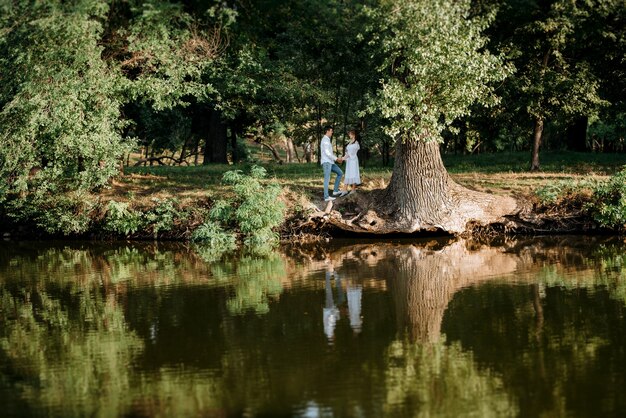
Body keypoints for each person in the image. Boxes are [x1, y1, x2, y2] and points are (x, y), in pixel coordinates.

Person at [320, 126, 346, 202]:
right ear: (327, 131)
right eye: (331, 131)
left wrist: (335, 159)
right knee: (327, 179)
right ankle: (326, 197)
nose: (332, 132)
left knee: (340, 173)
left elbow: (330, 153)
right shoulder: (325, 140)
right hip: (326, 162)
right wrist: (337, 159)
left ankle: (335, 191)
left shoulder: (327, 140)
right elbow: (327, 153)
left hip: (331, 162)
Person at [342, 129, 361, 194]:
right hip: (349, 161)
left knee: (353, 173)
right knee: (348, 173)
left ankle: (353, 189)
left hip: (353, 160)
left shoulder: (356, 143)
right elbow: (347, 151)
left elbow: (352, 153)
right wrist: (344, 157)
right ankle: (345, 189)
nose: (349, 135)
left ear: (354, 135)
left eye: (350, 134)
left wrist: (344, 157)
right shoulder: (350, 142)